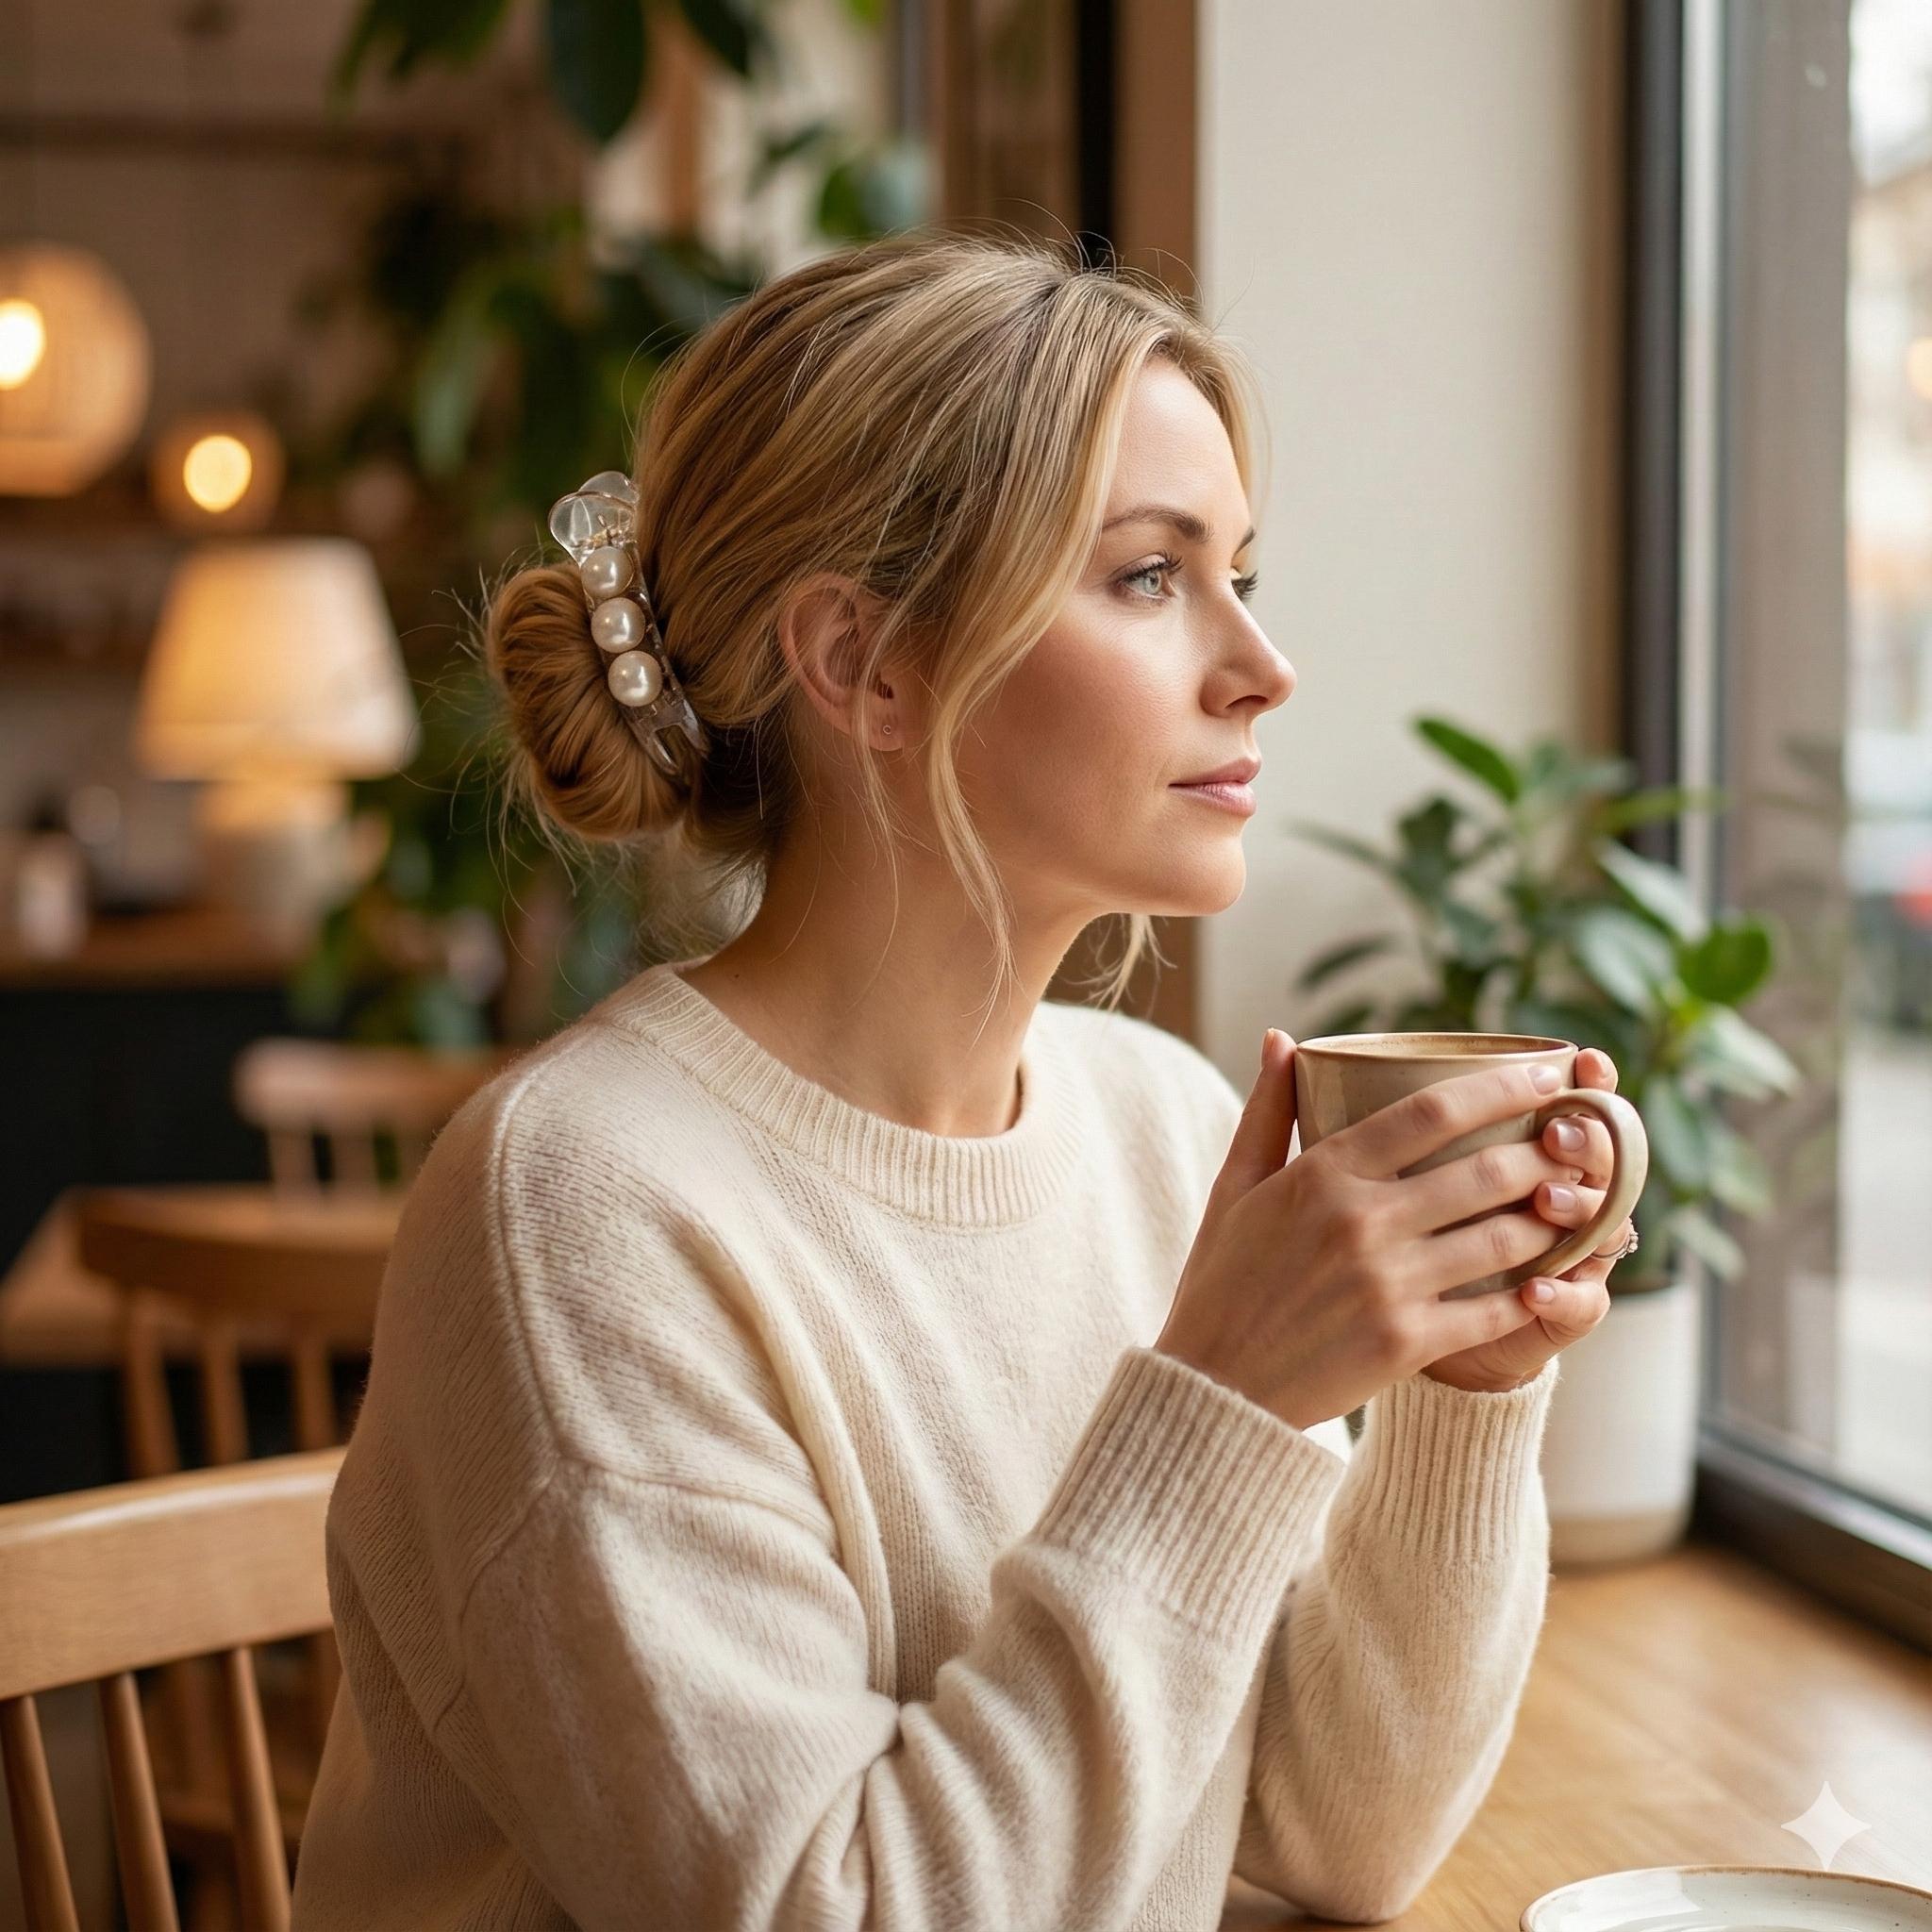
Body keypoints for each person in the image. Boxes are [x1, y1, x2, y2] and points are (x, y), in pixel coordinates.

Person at [290, 230, 1634, 1931]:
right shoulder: (579, 1208)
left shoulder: (1155, 1123)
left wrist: (1463, 1392)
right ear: (864, 664)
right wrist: (1218, 1403)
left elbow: (1320, 1841)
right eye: (1150, 576)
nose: (1261, 664)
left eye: (1242, 572)